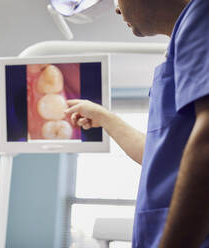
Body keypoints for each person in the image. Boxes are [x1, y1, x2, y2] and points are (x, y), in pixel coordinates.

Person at [65, 0, 209, 247]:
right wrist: (104, 118)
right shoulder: (184, 42)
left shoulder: (201, 16)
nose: (116, 9)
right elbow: (162, 155)